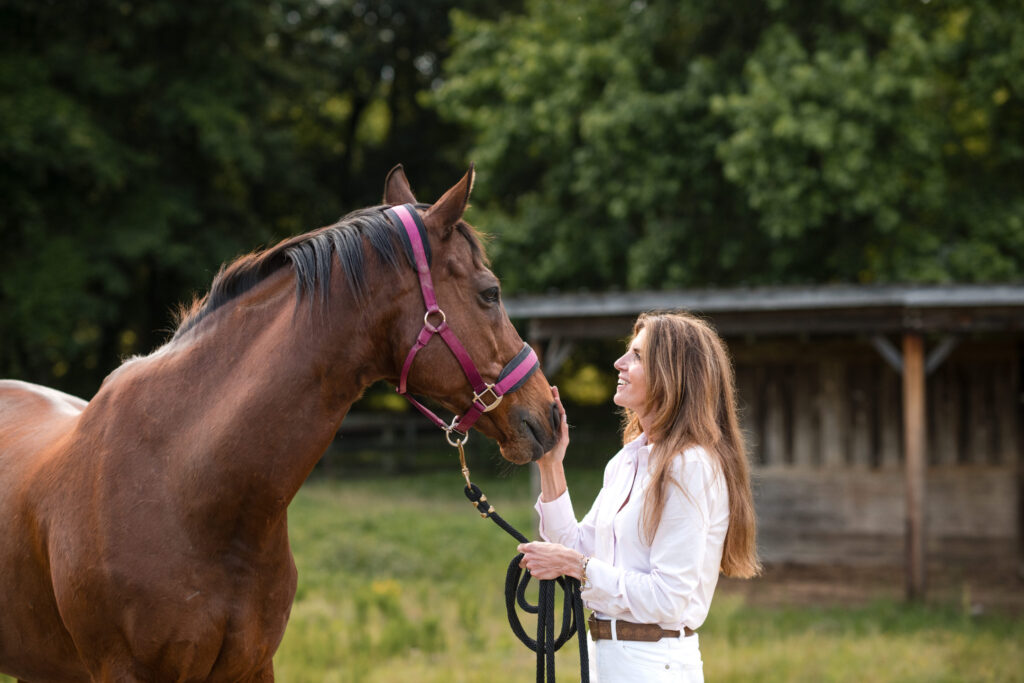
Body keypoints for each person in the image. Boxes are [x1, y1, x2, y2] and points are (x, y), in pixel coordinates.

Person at [517, 311, 761, 682]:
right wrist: (551, 465)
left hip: (654, 664)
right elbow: (573, 545)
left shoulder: (690, 466)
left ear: (673, 374)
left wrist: (577, 566)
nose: (619, 363)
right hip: (607, 659)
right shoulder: (625, 461)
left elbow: (667, 598)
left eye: (637, 356)